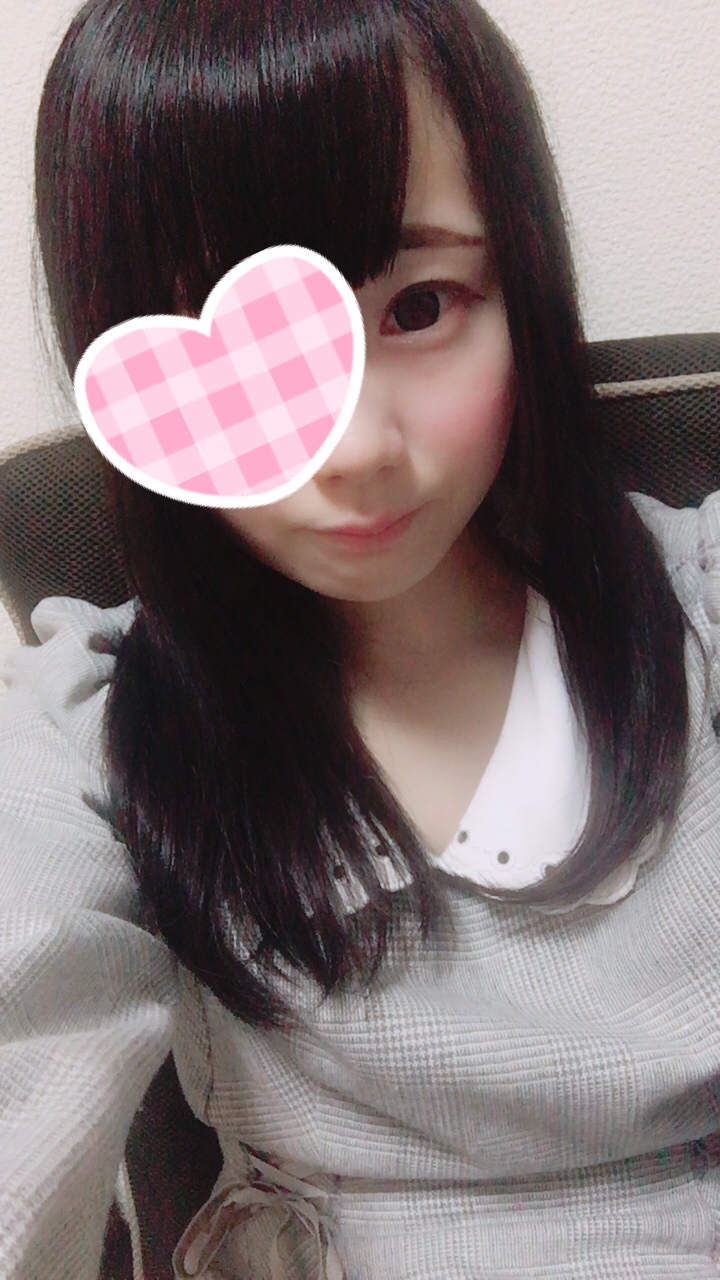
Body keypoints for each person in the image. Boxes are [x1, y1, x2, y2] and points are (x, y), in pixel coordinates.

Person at [2, 0, 720, 1275]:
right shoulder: (93, 727)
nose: (353, 449)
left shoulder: (699, 609)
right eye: (249, 365)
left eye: (420, 306)